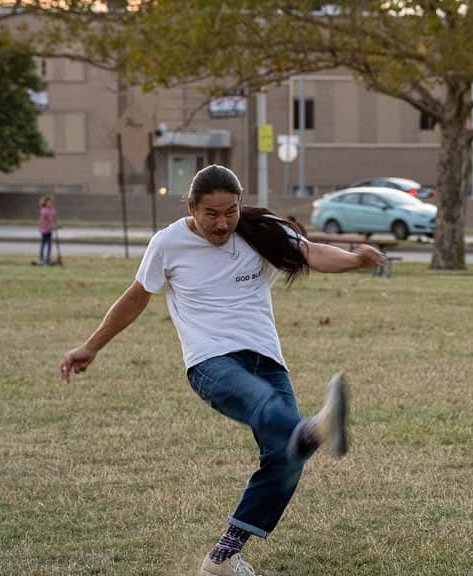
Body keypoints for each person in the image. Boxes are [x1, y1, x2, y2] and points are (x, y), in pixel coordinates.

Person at [59, 165, 386, 576]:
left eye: (230, 211)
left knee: (285, 457)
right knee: (268, 409)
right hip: (210, 360)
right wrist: (91, 345)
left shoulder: (259, 230)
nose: (222, 222)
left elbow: (311, 252)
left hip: (266, 357)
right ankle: (313, 429)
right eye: (210, 213)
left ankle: (223, 557)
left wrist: (356, 259)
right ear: (191, 207)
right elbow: (137, 297)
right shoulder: (169, 243)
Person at [37, 195, 57, 265]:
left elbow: (54, 218)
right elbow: (42, 220)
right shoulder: (44, 210)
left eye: (51, 202)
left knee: (49, 245)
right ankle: (41, 258)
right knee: (43, 244)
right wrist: (48, 225)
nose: (50, 204)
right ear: (45, 203)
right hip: (44, 230)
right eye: (48, 202)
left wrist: (55, 225)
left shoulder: (53, 210)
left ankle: (48, 258)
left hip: (50, 230)